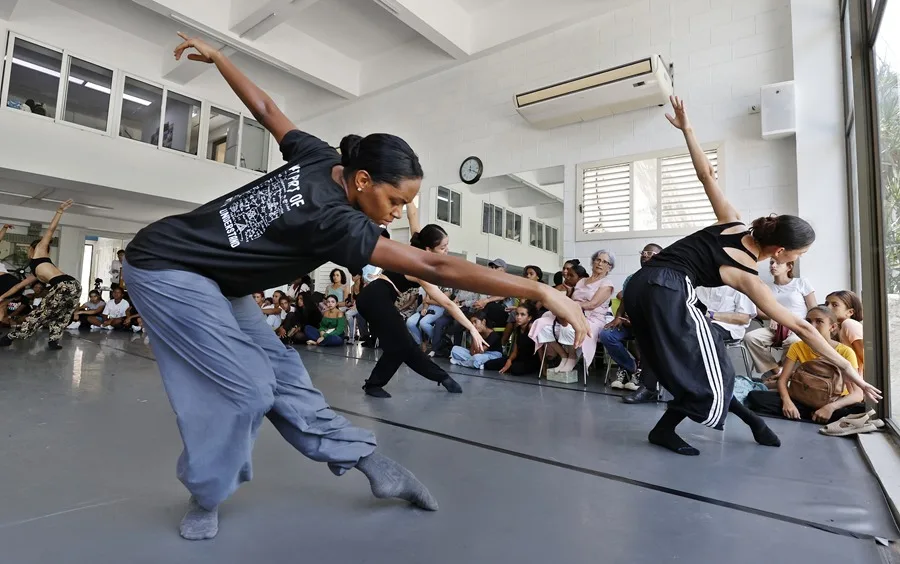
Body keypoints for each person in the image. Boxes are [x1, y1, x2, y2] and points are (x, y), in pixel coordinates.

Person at [121, 33, 587, 541]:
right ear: (362, 180)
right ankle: (206, 494)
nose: (395, 212)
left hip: (222, 282)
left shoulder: (321, 158)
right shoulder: (337, 220)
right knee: (246, 391)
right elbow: (437, 268)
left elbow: (267, 108)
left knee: (285, 375)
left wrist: (220, 59)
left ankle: (367, 462)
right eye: (393, 199)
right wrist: (541, 291)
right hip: (164, 266)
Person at [623, 96, 879, 456]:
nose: (798, 259)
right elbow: (803, 327)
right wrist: (847, 368)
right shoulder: (744, 273)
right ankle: (672, 429)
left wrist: (688, 129)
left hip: (639, 285)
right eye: (799, 254)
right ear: (780, 252)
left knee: (697, 364)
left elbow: (706, 175)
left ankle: (743, 423)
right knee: (713, 373)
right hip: (668, 289)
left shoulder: (733, 223)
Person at [357, 222, 491, 398]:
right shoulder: (418, 268)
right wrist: (473, 329)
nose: (447, 250)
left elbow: (413, 216)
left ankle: (374, 384)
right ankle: (443, 378)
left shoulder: (417, 254)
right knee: (405, 346)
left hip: (374, 297)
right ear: (428, 249)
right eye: (443, 247)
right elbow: (448, 304)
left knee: (398, 347)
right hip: (376, 298)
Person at [746, 306, 865, 423]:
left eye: (819, 321)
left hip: (832, 400)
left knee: (858, 410)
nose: (812, 326)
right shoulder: (797, 346)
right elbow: (782, 381)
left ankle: (814, 414)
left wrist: (830, 408)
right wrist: (788, 403)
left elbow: (857, 394)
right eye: (808, 322)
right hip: (803, 397)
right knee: (754, 397)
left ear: (832, 327)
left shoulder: (845, 351)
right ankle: (814, 415)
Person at [0, 201, 80, 350]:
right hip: (74, 285)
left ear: (33, 248)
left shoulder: (40, 252)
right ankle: (53, 341)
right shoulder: (36, 270)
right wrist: (3, 296)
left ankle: (9, 337)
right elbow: (19, 285)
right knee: (63, 314)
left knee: (39, 314)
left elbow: (50, 230)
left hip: (64, 286)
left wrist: (60, 211)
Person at [530, 251, 614, 373]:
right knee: (541, 324)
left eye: (604, 262)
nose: (600, 263)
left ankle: (572, 357)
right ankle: (564, 355)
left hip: (592, 318)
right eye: (598, 260)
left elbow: (592, 304)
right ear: (593, 262)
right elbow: (573, 299)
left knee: (568, 327)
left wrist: (571, 306)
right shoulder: (581, 281)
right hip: (573, 313)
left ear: (609, 267)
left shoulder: (606, 284)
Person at [602, 243, 662, 393]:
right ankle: (631, 367)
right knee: (606, 334)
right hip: (628, 323)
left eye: (650, 253)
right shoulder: (632, 278)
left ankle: (641, 373)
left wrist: (637, 321)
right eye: (644, 252)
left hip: (649, 326)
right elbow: (625, 300)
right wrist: (618, 317)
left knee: (644, 335)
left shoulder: (662, 277)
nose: (645, 255)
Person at [742, 259, 816, 380]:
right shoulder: (766, 288)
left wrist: (803, 325)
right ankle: (777, 370)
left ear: (789, 266)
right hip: (776, 328)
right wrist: (772, 316)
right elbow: (758, 311)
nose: (773, 266)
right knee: (750, 338)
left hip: (798, 327)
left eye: (778, 263)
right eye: (771, 263)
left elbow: (813, 309)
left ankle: (785, 371)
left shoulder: (801, 283)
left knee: (793, 342)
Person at [483, 302, 541, 376]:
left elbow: (540, 347)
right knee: (490, 364)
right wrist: (509, 360)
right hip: (519, 358)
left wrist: (543, 366)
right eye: (517, 314)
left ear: (529, 317)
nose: (518, 317)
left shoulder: (531, 327)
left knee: (516, 369)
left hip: (531, 360)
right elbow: (515, 350)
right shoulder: (518, 328)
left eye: (522, 315)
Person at [825, 290, 865, 375]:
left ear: (850, 312)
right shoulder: (836, 328)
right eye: (826, 304)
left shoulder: (849, 324)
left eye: (834, 305)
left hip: (853, 381)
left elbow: (865, 358)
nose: (828, 308)